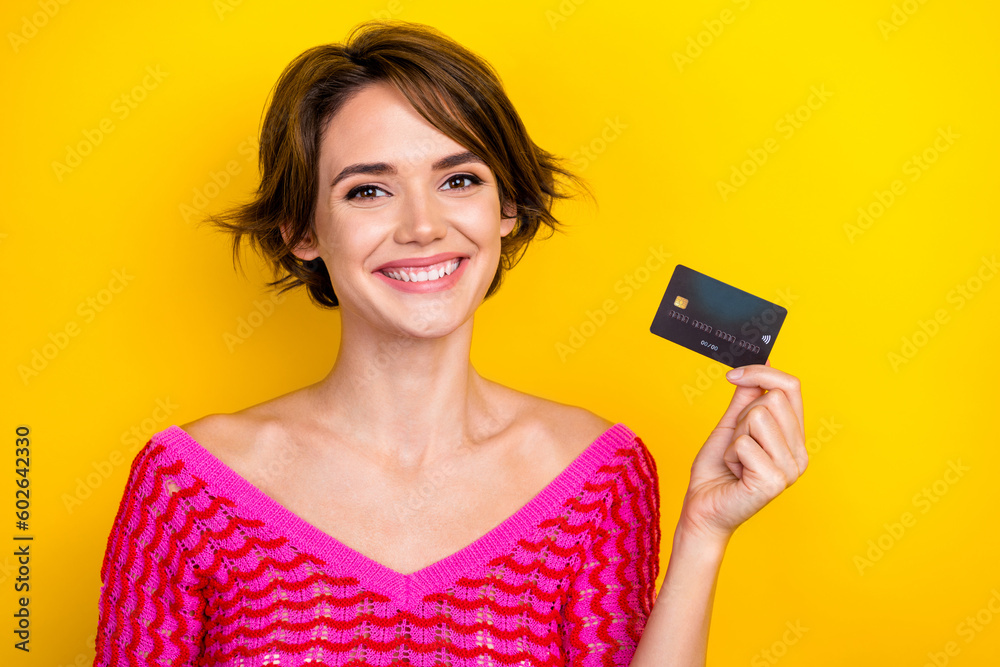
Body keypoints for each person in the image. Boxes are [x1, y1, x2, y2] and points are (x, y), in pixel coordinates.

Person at [93, 20, 806, 667]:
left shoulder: (599, 477)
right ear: (302, 232)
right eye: (368, 191)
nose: (423, 226)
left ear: (508, 209)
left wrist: (703, 535)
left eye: (459, 179)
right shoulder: (188, 490)